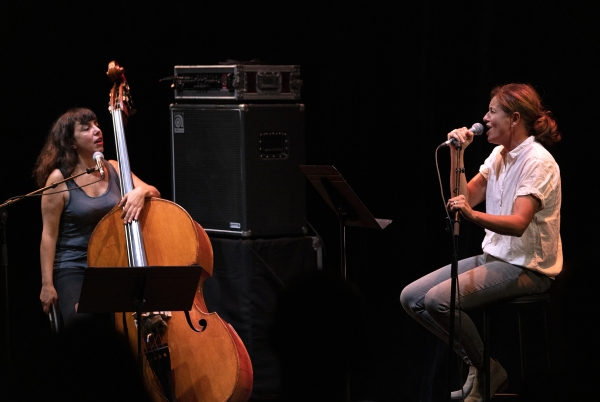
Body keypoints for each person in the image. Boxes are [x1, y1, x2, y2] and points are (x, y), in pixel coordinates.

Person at [400, 83, 562, 401]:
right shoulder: (499, 154)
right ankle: (483, 365)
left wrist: (472, 217)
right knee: (412, 298)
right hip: (496, 258)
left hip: (529, 268)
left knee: (437, 301)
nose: (485, 118)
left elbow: (517, 224)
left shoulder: (537, 163)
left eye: (492, 111)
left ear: (514, 119)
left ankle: (485, 369)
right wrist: (458, 153)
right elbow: (464, 196)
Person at [33, 107, 161, 331]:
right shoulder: (59, 179)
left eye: (96, 124)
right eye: (86, 128)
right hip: (74, 267)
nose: (97, 130)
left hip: (112, 264)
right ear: (72, 142)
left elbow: (154, 192)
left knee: (124, 326)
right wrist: (47, 285)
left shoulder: (114, 167)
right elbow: (49, 235)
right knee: (81, 324)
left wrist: (141, 193)